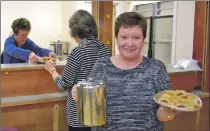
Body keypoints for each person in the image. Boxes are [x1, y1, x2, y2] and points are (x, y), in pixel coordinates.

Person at [72, 12, 179, 131]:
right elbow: (91, 106)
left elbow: (162, 115)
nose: (130, 43)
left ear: (143, 40)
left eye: (136, 38)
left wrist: (168, 110)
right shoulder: (101, 66)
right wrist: (79, 94)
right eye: (124, 37)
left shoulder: (156, 69)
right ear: (116, 38)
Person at [44, 10, 111, 131]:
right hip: (99, 114)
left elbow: (63, 84)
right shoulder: (105, 49)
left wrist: (52, 70)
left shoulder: (78, 52)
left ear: (74, 31)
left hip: (79, 117)